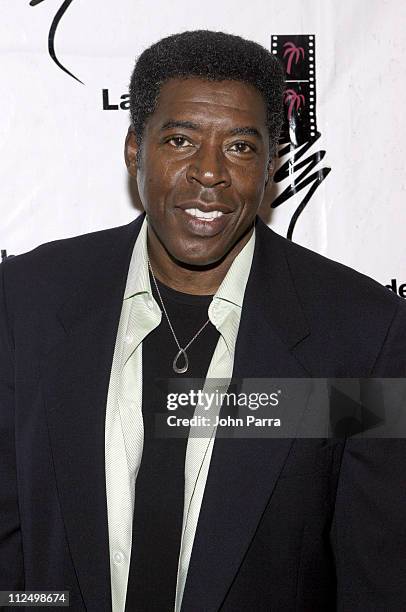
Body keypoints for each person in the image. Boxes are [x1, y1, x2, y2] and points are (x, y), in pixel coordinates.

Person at [1, 29, 405, 612]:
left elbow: (377, 579)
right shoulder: (29, 300)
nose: (209, 172)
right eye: (181, 140)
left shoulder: (361, 335)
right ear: (135, 150)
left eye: (240, 147)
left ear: (272, 166)